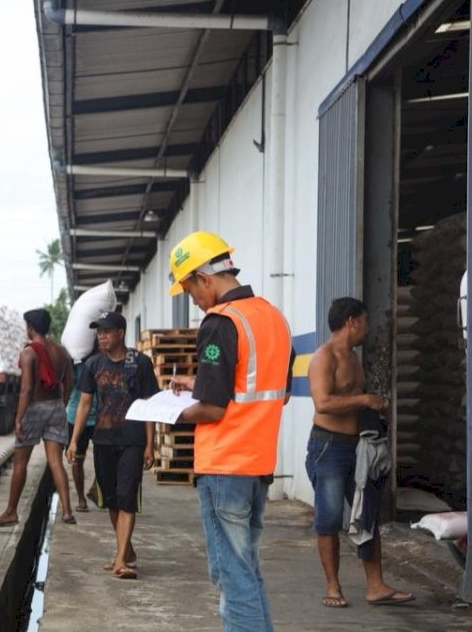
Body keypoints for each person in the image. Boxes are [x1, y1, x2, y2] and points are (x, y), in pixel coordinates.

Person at [167, 231, 293, 632]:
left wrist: (170, 414)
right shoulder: (273, 317)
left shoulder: (220, 323)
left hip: (225, 465)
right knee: (246, 571)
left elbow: (213, 407)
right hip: (257, 465)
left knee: (232, 578)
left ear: (204, 278)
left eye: (189, 289)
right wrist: (196, 382)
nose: (193, 300)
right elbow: (270, 389)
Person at [308, 297, 413, 608]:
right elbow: (323, 403)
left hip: (359, 447)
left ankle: (375, 586)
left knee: (367, 515)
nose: (367, 328)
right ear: (351, 321)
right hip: (328, 447)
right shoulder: (324, 357)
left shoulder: (353, 357)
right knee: (329, 519)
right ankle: (333, 587)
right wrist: (366, 400)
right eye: (365, 321)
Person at [67, 312, 159, 579]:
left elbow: (149, 405)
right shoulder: (93, 364)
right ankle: (125, 550)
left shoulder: (139, 363)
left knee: (127, 497)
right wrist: (74, 440)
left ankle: (120, 561)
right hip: (103, 440)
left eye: (107, 331)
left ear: (121, 332)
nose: (102, 336)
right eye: (99, 332)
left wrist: (150, 444)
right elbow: (84, 404)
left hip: (132, 440)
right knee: (112, 500)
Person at [0, 309, 76, 528]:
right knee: (55, 461)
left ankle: (11, 512)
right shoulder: (62, 352)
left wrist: (19, 418)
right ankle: (67, 511)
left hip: (34, 408)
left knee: (21, 463)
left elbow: (26, 389)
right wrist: (62, 404)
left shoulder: (29, 353)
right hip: (56, 407)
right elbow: (69, 383)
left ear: (31, 328)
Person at [66, 354, 99, 512]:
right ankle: (81, 499)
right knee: (77, 459)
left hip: (99, 417)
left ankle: (94, 488)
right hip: (76, 417)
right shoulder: (73, 363)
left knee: (106, 458)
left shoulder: (101, 361)